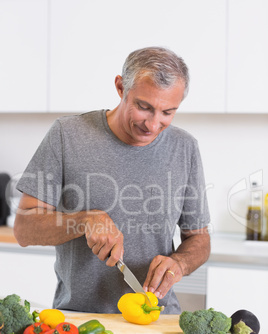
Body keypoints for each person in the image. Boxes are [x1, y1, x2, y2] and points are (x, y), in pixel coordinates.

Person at [14, 46, 210, 314]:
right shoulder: (67, 135)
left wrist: (181, 263)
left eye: (167, 112)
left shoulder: (184, 147)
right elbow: (23, 229)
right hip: (79, 322)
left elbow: (199, 237)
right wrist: (83, 221)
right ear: (120, 87)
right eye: (144, 107)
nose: (153, 125)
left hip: (157, 321)